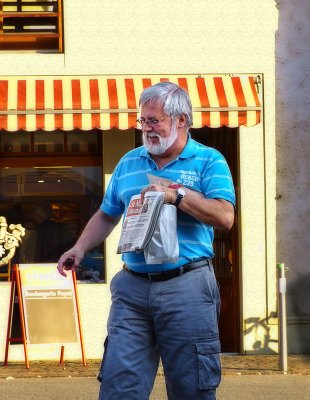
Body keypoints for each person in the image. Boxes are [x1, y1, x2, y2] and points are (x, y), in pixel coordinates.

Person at [57, 82, 235, 399]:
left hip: (187, 285)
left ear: (182, 120)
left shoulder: (209, 160)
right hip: (132, 288)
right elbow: (107, 213)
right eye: (143, 121)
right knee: (118, 388)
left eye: (155, 120)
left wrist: (175, 195)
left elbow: (225, 216)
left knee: (191, 389)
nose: (147, 128)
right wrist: (79, 248)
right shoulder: (129, 162)